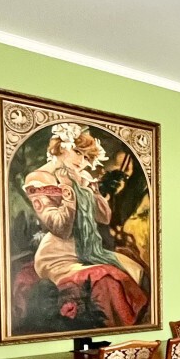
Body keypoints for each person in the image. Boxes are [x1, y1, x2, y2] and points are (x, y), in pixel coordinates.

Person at [21, 122, 148, 325]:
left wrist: (92, 191)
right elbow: (61, 229)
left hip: (89, 251)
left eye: (87, 158)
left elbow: (104, 217)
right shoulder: (38, 178)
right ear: (62, 147)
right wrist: (69, 193)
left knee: (136, 270)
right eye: (79, 153)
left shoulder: (79, 177)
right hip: (57, 255)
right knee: (108, 280)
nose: (82, 162)